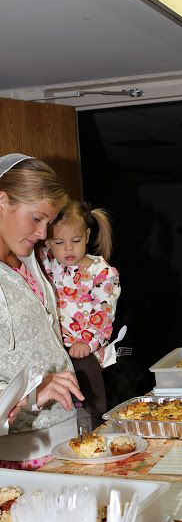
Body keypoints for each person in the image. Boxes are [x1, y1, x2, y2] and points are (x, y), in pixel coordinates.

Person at [0, 153, 85, 469]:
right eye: (36, 218)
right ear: (2, 201)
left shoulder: (29, 261)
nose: (42, 233)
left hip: (65, 434)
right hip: (18, 452)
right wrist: (33, 392)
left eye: (48, 222)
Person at [38, 200, 121, 428]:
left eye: (75, 241)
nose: (68, 249)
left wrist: (87, 341)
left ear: (86, 236)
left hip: (84, 350)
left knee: (90, 402)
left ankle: (95, 430)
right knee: (60, 405)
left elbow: (104, 316)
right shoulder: (48, 264)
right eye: (59, 242)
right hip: (54, 349)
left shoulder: (102, 273)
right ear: (48, 242)